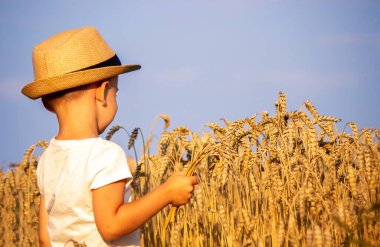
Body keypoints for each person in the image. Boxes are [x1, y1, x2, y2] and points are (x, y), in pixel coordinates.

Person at [21, 26, 198, 247]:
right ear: (102, 91)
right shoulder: (104, 155)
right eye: (116, 92)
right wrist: (167, 193)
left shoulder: (48, 157)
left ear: (47, 104)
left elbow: (45, 238)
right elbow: (112, 226)